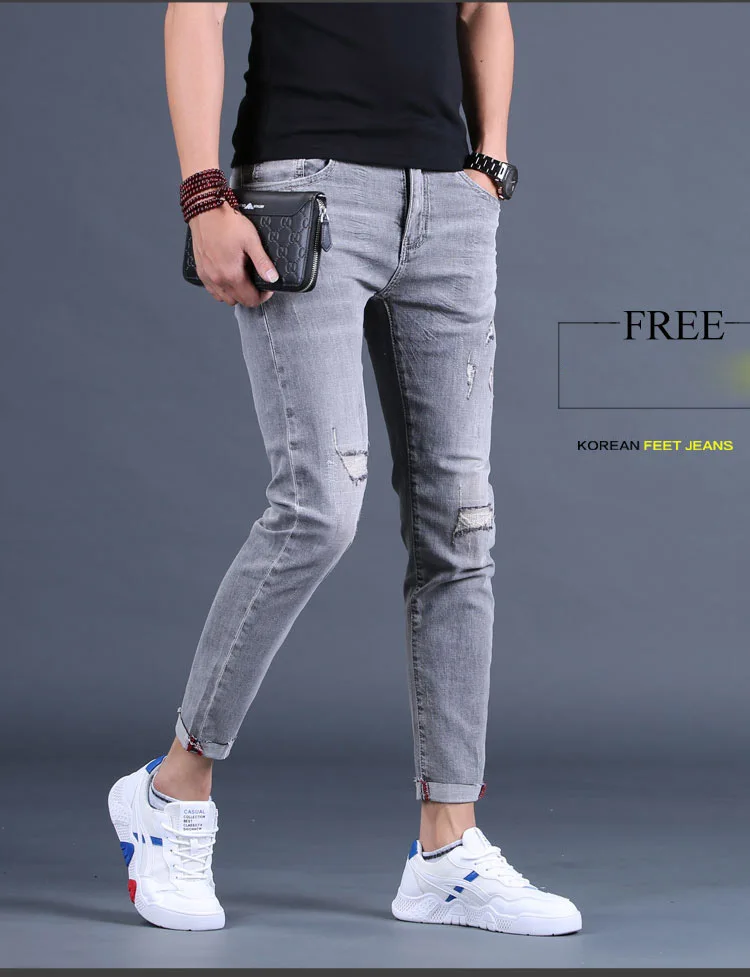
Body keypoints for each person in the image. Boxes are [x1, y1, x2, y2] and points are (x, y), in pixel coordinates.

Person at [108, 1, 582, 936]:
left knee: (461, 529)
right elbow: (193, 13)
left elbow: (484, 9)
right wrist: (204, 195)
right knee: (319, 505)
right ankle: (173, 789)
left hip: (448, 204)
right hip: (306, 192)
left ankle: (447, 851)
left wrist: (488, 164)